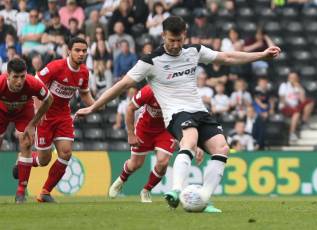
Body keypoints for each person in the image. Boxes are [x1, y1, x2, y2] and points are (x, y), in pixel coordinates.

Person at [75, 16, 281, 212]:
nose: (175, 44)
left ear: (185, 35)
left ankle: (203, 198)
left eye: (179, 40)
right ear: (163, 35)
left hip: (199, 110)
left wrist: (262, 54)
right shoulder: (151, 60)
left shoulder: (194, 51)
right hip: (175, 113)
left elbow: (226, 57)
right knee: (189, 140)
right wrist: (93, 107)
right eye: (171, 40)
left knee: (222, 148)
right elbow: (122, 85)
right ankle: (175, 191)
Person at [109, 85, 202, 202]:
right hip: (144, 130)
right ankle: (121, 180)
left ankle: (146, 190)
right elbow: (130, 108)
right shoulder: (148, 91)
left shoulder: (178, 94)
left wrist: (194, 142)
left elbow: (188, 117)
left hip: (166, 131)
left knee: (163, 162)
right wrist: (131, 134)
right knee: (135, 164)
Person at [33, 37, 95, 202]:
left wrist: (95, 105)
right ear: (69, 51)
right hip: (46, 115)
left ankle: (45, 192)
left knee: (66, 152)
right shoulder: (56, 66)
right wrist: (38, 111)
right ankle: (26, 161)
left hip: (63, 116)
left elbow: (84, 93)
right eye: (77, 50)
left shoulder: (84, 72)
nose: (81, 54)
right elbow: (36, 84)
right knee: (43, 160)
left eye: (84, 50)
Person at [0, 58, 53, 203]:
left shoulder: (32, 83)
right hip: (1, 111)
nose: (19, 81)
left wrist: (33, 122)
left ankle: (21, 192)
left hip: (24, 112)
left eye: (22, 76)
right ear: (7, 75)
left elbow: (49, 99)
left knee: (27, 142)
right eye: (15, 77)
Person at [279, 72, 315, 143]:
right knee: (296, 112)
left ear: (297, 79)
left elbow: (303, 100)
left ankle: (304, 122)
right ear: (288, 78)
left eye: (295, 78)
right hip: (286, 106)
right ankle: (292, 133)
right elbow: (282, 99)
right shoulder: (284, 85)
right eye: (291, 77)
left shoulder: (298, 87)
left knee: (310, 102)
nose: (293, 79)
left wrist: (299, 88)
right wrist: (290, 106)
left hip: (296, 106)